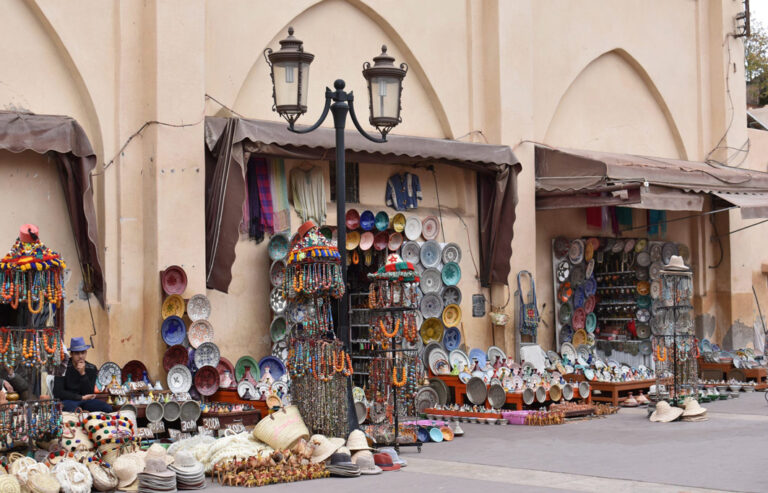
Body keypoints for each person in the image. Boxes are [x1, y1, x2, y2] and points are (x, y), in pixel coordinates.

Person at [53, 337, 112, 413]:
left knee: (107, 408)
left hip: (86, 401)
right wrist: (80, 397)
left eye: (82, 352)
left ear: (86, 353)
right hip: (69, 401)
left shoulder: (91, 368)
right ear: (72, 354)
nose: (80, 356)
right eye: (77, 353)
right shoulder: (62, 367)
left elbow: (89, 393)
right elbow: (58, 392)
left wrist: (83, 374)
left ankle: (85, 413)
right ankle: (82, 412)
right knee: (72, 409)